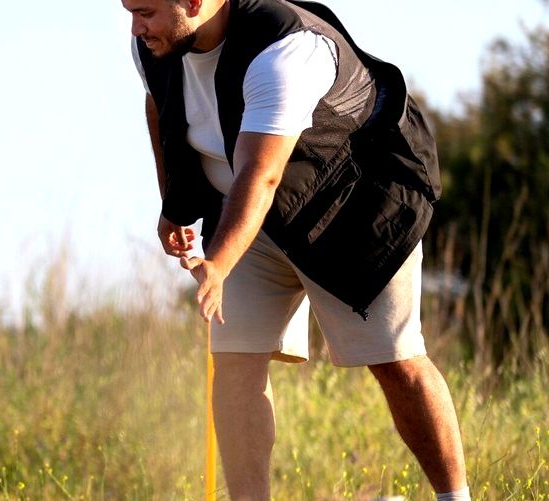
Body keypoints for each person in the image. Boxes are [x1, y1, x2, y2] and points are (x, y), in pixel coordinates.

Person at [123, 0, 469, 499]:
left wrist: (218, 263)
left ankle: (455, 497)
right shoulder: (153, 45)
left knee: (395, 359)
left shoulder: (284, 51)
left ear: (195, 3)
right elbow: (160, 105)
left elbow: (260, 174)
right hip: (249, 215)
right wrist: (172, 203)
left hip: (351, 208)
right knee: (236, 359)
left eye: (147, 12)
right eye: (130, 10)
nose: (136, 27)